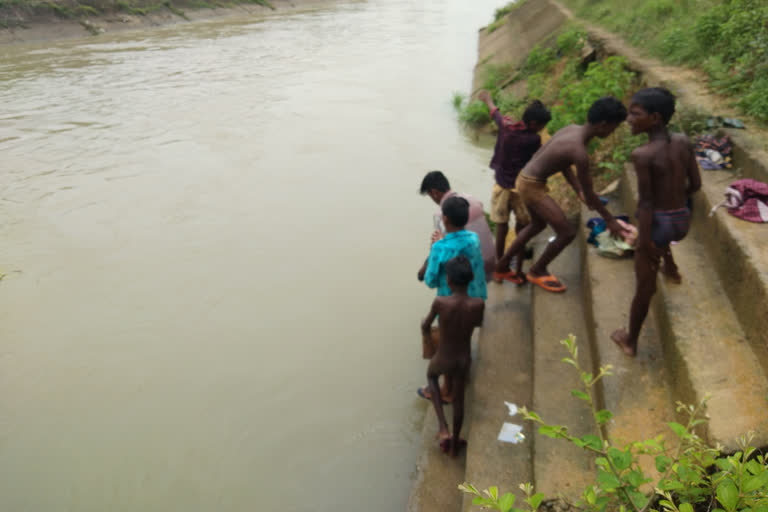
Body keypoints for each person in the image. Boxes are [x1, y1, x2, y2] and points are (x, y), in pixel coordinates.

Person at [495, 96, 629, 293]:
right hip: (532, 186)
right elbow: (591, 196)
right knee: (566, 232)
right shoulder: (580, 153)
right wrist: (609, 220)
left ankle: (502, 265)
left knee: (537, 224)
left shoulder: (571, 129)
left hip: (525, 177)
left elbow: (563, 164)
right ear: (603, 124)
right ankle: (537, 270)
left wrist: (578, 190)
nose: (613, 132)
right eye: (614, 127)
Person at [611, 87, 701, 357]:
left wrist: (645, 241)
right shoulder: (684, 142)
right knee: (663, 236)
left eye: (635, 114)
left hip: (658, 223)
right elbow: (695, 184)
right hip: (681, 220)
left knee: (645, 287)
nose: (629, 119)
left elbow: (647, 204)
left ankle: (630, 340)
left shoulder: (643, 155)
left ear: (656, 118)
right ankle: (671, 269)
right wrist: (673, 205)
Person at [417, 195, 487, 404]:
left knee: (448, 344)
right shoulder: (474, 238)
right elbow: (458, 249)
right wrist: (443, 242)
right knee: (464, 338)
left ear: (445, 219)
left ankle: (447, 390)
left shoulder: (440, 248)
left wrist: (435, 248)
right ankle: (461, 374)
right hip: (474, 297)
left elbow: (429, 280)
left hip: (450, 302)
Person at [477, 91, 552, 283]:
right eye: (543, 126)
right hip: (520, 190)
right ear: (535, 124)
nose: (543, 129)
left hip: (501, 186)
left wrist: (488, 99)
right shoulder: (533, 140)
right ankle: (518, 271)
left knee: (501, 228)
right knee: (522, 231)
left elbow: (496, 114)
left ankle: (498, 272)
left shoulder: (507, 128)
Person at [421, 255, 484, 456]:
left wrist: (425, 330)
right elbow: (478, 323)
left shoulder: (440, 302)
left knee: (431, 377)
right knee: (459, 399)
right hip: (463, 359)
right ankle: (455, 442)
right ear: (471, 277)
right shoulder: (478, 304)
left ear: (448, 280)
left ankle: (442, 427)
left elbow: (427, 324)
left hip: (444, 357)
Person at [418, 171, 495, 283]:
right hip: (491, 265)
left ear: (434, 193)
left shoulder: (441, 214)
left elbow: (438, 249)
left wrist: (422, 271)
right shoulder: (472, 199)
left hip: (469, 275)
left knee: (440, 256)